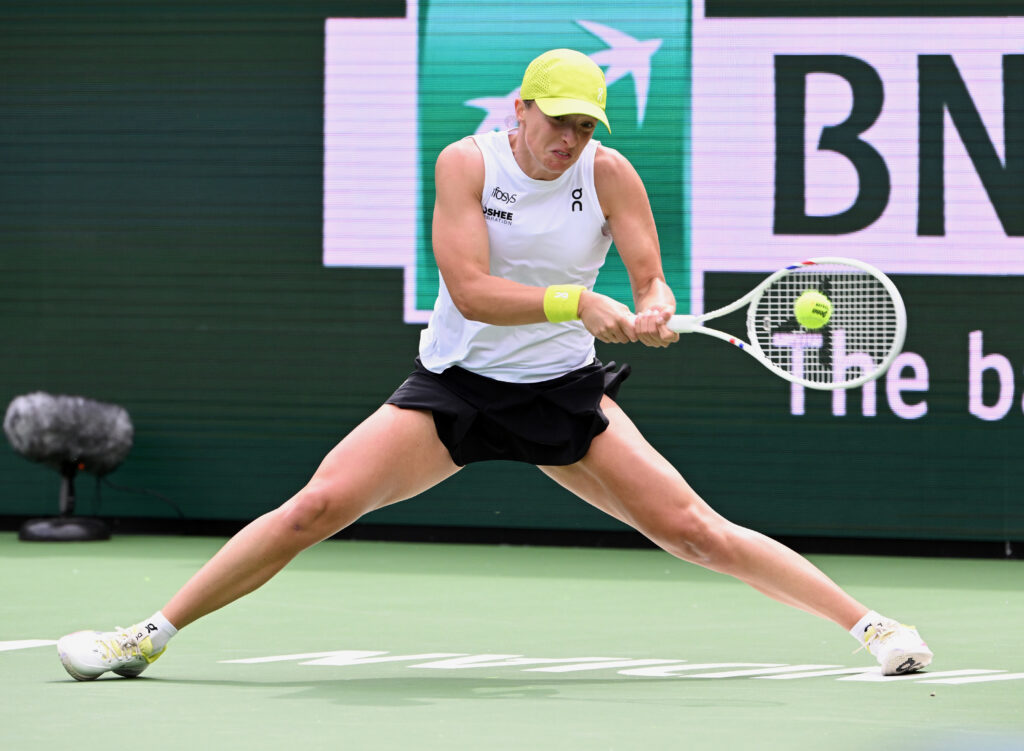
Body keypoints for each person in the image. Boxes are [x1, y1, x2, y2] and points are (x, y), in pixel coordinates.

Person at [56, 48, 932, 681]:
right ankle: (144, 635)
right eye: (559, 120)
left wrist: (656, 303)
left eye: (587, 124)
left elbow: (650, 275)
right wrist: (580, 304)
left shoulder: (611, 173)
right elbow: (472, 289)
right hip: (458, 389)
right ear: (521, 108)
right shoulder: (465, 164)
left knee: (694, 529)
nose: (572, 137)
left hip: (561, 392)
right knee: (314, 507)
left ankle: (873, 626)